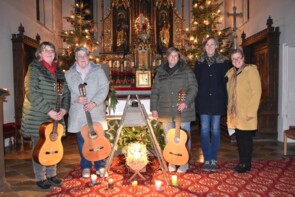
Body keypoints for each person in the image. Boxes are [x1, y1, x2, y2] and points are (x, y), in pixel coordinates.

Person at [21, 41, 70, 189]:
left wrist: (64, 110)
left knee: (54, 143)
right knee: (40, 147)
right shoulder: (34, 68)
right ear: (39, 53)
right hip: (38, 114)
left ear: (55, 54)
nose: (49, 52)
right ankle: (40, 177)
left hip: (56, 114)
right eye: (45, 50)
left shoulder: (59, 72)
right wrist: (50, 111)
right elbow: (32, 93)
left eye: (52, 50)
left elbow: (65, 93)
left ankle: (52, 174)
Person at [150, 47, 198, 173]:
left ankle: (184, 162)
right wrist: (154, 108)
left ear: (179, 57)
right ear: (167, 57)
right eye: (171, 56)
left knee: (184, 137)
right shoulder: (160, 72)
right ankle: (171, 161)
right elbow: (155, 91)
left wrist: (186, 102)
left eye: (176, 56)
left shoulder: (187, 70)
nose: (173, 58)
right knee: (168, 137)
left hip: (183, 110)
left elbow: (194, 88)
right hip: (165, 110)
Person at [65, 46, 109, 178]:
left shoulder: (98, 70)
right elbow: (66, 93)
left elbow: (104, 87)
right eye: (79, 56)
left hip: (95, 110)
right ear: (75, 58)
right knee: (82, 140)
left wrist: (94, 102)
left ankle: (100, 165)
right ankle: (86, 165)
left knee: (99, 138)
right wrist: (76, 99)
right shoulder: (69, 74)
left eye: (85, 55)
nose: (82, 58)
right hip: (79, 112)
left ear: (88, 56)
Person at [194, 36, 229, 170]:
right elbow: (196, 81)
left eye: (212, 44)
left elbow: (226, 82)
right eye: (207, 44)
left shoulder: (223, 61)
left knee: (215, 130)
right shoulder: (199, 62)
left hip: (217, 101)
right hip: (203, 101)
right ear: (204, 47)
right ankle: (206, 159)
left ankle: (213, 159)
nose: (210, 47)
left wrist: (226, 100)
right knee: (204, 130)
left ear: (216, 46)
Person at [226, 48, 262, 173]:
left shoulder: (250, 71)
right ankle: (242, 162)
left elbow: (256, 92)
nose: (236, 61)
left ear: (243, 58)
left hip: (246, 112)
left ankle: (246, 164)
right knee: (239, 139)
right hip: (235, 113)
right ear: (231, 61)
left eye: (238, 58)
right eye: (233, 59)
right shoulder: (231, 73)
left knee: (246, 139)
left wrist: (251, 112)